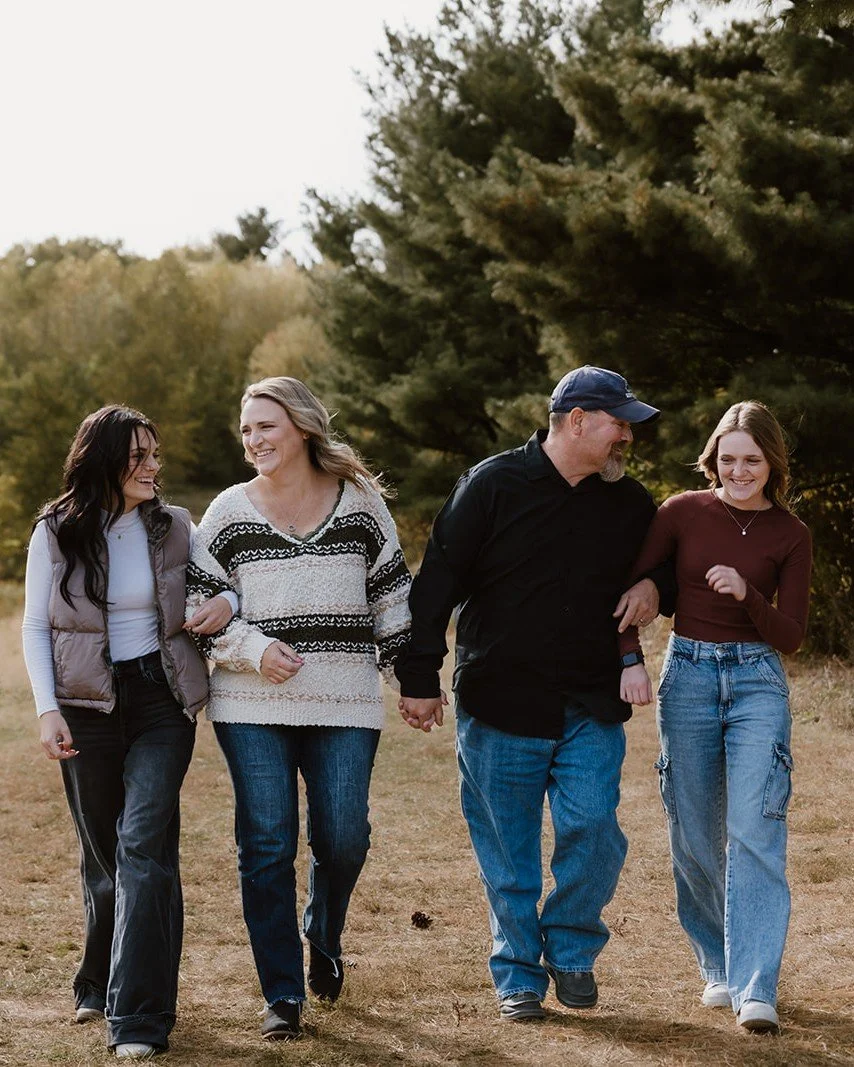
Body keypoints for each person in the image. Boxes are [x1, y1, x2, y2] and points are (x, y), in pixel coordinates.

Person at [396, 366, 675, 1021]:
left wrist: (656, 587)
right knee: (510, 851)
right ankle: (518, 974)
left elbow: (669, 559)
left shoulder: (629, 502)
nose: (626, 436)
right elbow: (436, 581)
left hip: (590, 701)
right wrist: (418, 675)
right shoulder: (493, 485)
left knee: (595, 831)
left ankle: (571, 949)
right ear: (576, 420)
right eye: (617, 423)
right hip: (501, 699)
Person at [185, 376, 411, 1042]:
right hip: (250, 702)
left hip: (345, 698)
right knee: (267, 843)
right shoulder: (227, 511)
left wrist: (412, 677)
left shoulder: (362, 505)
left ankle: (324, 926)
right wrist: (254, 648)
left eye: (266, 426)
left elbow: (392, 596)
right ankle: (281, 992)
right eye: (246, 429)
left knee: (344, 836)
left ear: (304, 427)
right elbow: (201, 609)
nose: (253, 439)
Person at [21, 405, 235, 1060]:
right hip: (85, 703)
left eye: (156, 455)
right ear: (105, 459)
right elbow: (34, 624)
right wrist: (46, 708)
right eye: (139, 455)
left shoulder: (175, 526)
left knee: (142, 844)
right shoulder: (56, 531)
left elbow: (217, 586)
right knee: (106, 855)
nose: (152, 467)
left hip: (159, 699)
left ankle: (138, 1015)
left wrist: (226, 603)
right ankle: (94, 975)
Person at [619, 400, 811, 1035]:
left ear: (771, 463)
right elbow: (637, 584)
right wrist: (632, 660)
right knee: (695, 829)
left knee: (755, 829)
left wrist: (747, 592)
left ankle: (758, 985)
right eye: (727, 459)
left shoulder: (791, 534)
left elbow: (791, 635)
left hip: (758, 681)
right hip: (689, 677)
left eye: (751, 460)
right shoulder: (681, 512)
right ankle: (718, 966)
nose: (738, 471)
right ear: (713, 461)